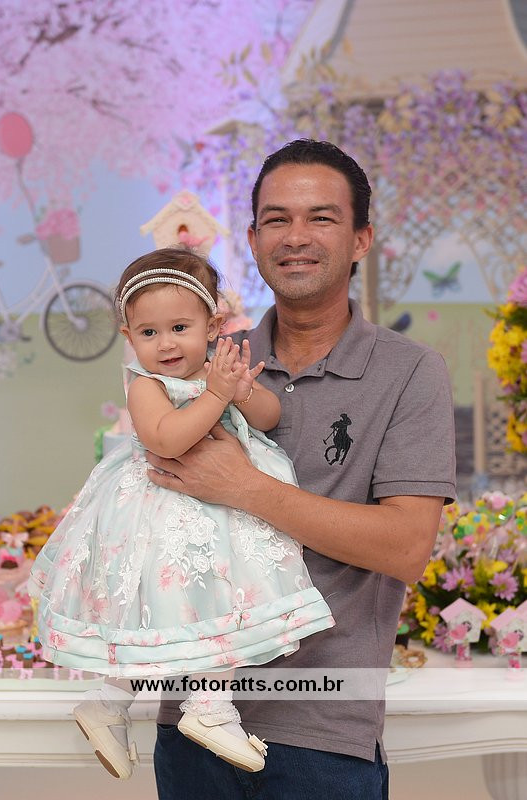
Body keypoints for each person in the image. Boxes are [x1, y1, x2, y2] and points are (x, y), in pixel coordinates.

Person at [148, 140, 456, 800]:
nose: (295, 237)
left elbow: (406, 547)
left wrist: (244, 488)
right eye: (276, 219)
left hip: (324, 731)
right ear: (253, 240)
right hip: (189, 724)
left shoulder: (408, 372)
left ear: (360, 238)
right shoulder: (208, 363)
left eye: (321, 217)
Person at [29, 247, 334, 779]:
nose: (166, 344)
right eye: (149, 333)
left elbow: (270, 416)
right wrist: (215, 396)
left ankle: (122, 703)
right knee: (173, 606)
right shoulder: (147, 386)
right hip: (161, 515)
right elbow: (167, 439)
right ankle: (197, 707)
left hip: (221, 510)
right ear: (129, 336)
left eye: (179, 328)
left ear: (212, 325)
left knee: (216, 601)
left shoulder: (220, 372)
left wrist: (242, 392)